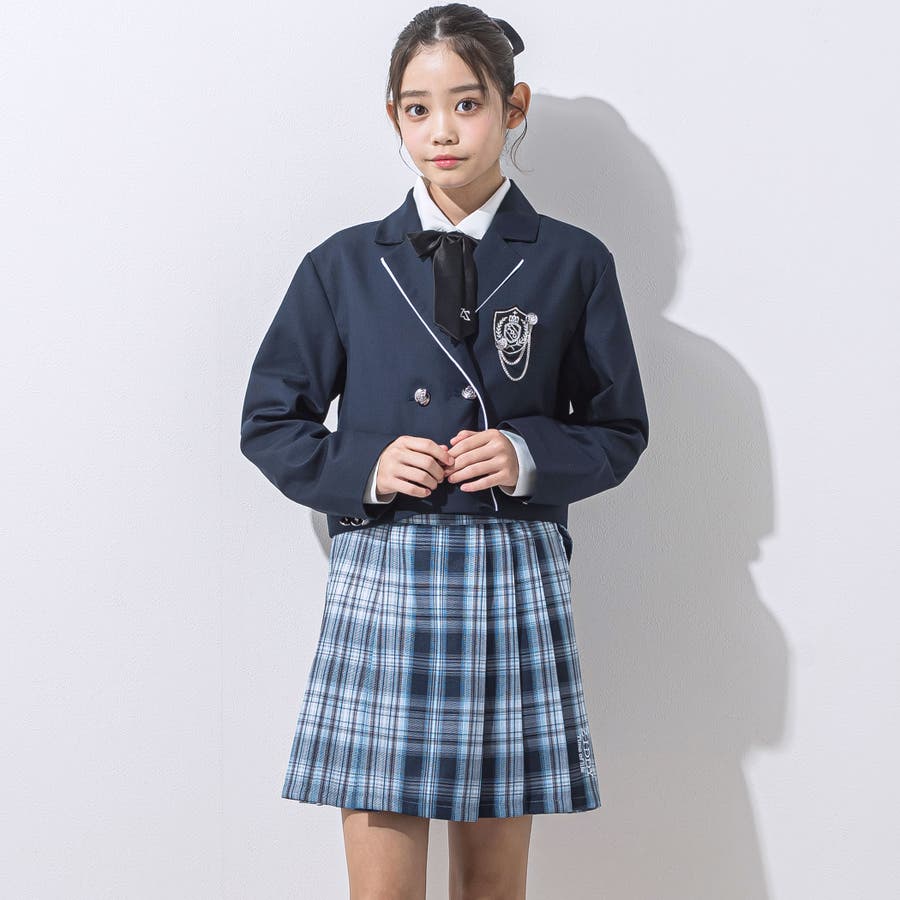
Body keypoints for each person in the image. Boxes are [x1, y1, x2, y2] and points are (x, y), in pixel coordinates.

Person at [239, 4, 649, 897]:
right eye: (418, 109)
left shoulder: (574, 261)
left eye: (467, 103)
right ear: (393, 116)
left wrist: (526, 456)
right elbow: (270, 420)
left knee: (494, 887)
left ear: (512, 107)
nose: (443, 131)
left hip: (513, 571)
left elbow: (619, 430)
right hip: (384, 574)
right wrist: (366, 466)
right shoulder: (342, 265)